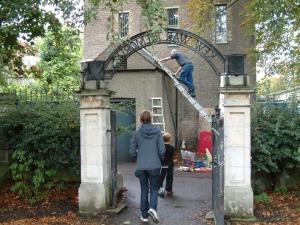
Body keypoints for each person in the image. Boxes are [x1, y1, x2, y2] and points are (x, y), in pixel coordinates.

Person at [130, 110, 165, 224]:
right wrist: (161, 159)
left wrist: (137, 158)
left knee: (144, 190)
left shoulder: (137, 133)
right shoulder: (158, 131)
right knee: (154, 189)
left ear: (141, 119)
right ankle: (152, 209)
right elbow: (162, 150)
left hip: (141, 166)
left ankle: (144, 216)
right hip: (155, 165)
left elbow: (132, 151)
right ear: (151, 119)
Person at [158, 132, 175, 197]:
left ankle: (159, 188)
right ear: (169, 139)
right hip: (170, 164)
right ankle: (169, 190)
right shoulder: (171, 147)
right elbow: (172, 155)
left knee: (161, 176)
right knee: (169, 177)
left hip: (164, 164)